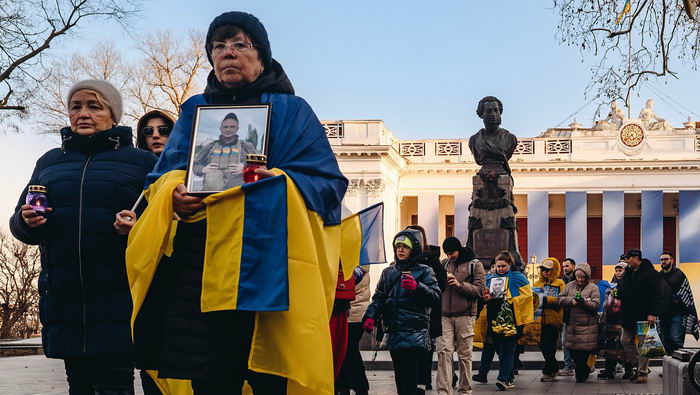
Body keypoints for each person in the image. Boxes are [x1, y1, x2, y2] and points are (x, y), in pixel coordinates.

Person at [128, 11, 347, 395]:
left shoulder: (293, 111)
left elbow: (328, 185)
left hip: (270, 263)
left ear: (262, 57)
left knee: (268, 376)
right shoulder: (195, 109)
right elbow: (160, 176)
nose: (228, 53)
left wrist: (279, 183)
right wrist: (174, 194)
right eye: (219, 46)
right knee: (209, 376)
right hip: (200, 266)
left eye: (240, 45)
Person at [9, 79, 156, 394]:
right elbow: (18, 223)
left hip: (119, 297)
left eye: (94, 106)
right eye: (76, 106)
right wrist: (29, 222)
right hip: (65, 300)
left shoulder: (142, 162)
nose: (83, 113)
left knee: (115, 385)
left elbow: (165, 225)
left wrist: (138, 229)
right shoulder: (50, 162)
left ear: (113, 114)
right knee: (79, 386)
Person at [362, 229, 441, 395]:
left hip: (415, 333)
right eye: (397, 246)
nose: (400, 250)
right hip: (395, 334)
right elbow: (379, 298)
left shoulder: (425, 271)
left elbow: (435, 297)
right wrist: (370, 316)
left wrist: (418, 287)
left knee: (410, 380)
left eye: (405, 246)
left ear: (414, 249)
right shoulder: (388, 272)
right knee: (400, 380)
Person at [472, 251, 533, 391]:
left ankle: (503, 378)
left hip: (512, 318)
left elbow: (529, 296)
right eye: (498, 266)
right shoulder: (491, 278)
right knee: (499, 348)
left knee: (507, 349)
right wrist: (485, 298)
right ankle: (509, 377)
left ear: (510, 264)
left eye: (503, 266)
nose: (500, 269)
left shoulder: (519, 277)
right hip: (493, 318)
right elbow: (484, 295)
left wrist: (511, 298)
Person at [436, 237, 485, 395]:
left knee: (464, 355)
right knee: (443, 352)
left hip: (465, 314)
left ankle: (465, 390)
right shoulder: (444, 264)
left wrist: (459, 284)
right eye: (447, 253)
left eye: (452, 252)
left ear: (459, 249)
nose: (450, 256)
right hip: (444, 315)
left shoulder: (474, 265)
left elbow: (480, 291)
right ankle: (443, 391)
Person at [114, 110, 175, 236]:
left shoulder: (189, 170)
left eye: (163, 130)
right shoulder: (130, 170)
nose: (155, 135)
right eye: (148, 131)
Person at [405, 225, 447, 391]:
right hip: (406, 312)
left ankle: (424, 380)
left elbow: (440, 287)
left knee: (425, 348)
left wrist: (419, 288)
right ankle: (414, 379)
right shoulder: (403, 260)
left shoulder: (430, 260)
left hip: (426, 312)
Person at [617, 248, 662, 384]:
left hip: (644, 315)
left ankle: (642, 373)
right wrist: (616, 293)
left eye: (628, 258)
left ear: (636, 258)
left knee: (645, 345)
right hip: (628, 315)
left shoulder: (651, 273)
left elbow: (657, 295)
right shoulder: (628, 274)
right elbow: (621, 289)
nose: (627, 261)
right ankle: (639, 365)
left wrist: (653, 313)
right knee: (625, 340)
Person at [193, 112, 257, 190]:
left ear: (237, 129)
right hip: (211, 197)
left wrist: (245, 169)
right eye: (225, 127)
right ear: (221, 129)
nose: (228, 130)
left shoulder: (247, 147)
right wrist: (202, 169)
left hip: (238, 194)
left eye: (232, 127)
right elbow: (194, 165)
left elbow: (260, 168)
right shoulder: (209, 147)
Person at [557, 263, 600, 383]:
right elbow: (559, 299)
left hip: (588, 326)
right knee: (574, 352)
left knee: (583, 354)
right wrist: (571, 301)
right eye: (578, 277)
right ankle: (582, 369)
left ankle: (582, 373)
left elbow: (595, 305)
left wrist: (583, 302)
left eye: (582, 277)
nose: (580, 280)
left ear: (587, 276)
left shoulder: (593, 288)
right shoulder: (569, 285)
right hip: (572, 325)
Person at [336, 266, 370, 395]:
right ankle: (343, 387)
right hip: (344, 310)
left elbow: (353, 277)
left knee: (349, 350)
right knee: (343, 351)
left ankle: (360, 386)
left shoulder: (359, 263)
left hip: (355, 311)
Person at [658, 251, 699, 355]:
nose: (664, 261)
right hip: (662, 314)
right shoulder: (658, 276)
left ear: (672, 260)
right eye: (662, 260)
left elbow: (686, 293)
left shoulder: (679, 275)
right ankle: (670, 365)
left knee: (675, 338)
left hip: (677, 314)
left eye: (666, 259)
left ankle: (678, 365)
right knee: (665, 340)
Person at [534, 258, 566, 382]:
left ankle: (548, 371)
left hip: (553, 319)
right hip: (539, 319)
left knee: (550, 345)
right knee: (542, 344)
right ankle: (554, 367)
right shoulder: (537, 283)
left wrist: (546, 299)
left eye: (548, 270)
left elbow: (560, 299)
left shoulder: (559, 283)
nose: (545, 272)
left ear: (554, 270)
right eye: (543, 269)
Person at [597, 261, 627, 379]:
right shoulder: (611, 285)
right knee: (609, 346)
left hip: (623, 320)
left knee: (623, 346)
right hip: (610, 320)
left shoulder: (629, 284)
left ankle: (628, 370)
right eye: (617, 270)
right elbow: (606, 303)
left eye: (621, 270)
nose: (618, 273)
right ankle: (609, 370)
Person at [557, 257, 576, 376]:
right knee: (565, 341)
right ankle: (568, 366)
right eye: (563, 266)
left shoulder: (580, 279)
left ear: (573, 266)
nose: (565, 268)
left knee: (580, 340)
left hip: (579, 315)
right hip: (566, 315)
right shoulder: (561, 281)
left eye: (567, 266)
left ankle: (587, 364)